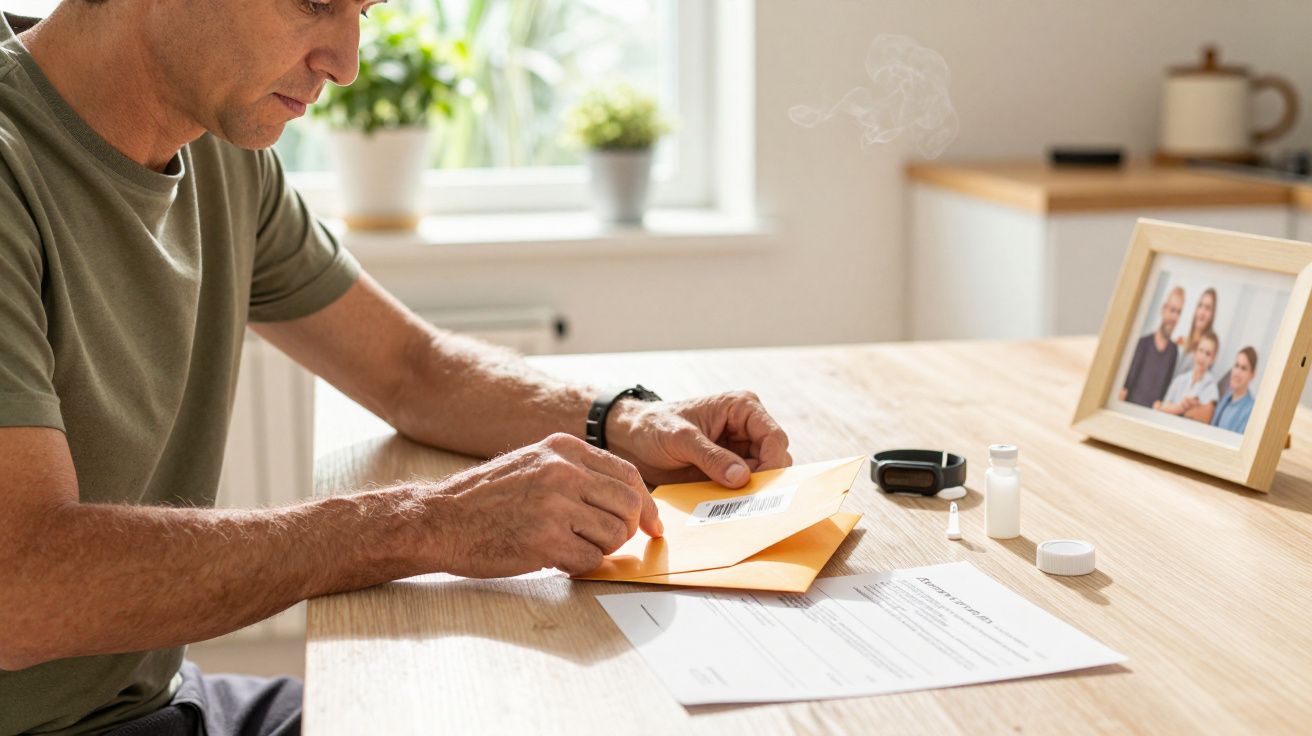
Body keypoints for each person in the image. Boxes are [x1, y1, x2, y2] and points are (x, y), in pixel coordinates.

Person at [0, 3, 793, 734]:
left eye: (363, 10)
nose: (345, 61)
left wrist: (624, 419)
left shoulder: (216, 145)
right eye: (315, 2)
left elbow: (412, 367)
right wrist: (429, 523)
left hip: (155, 706)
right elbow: (20, 588)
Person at [1119, 285, 1184, 407]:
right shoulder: (1143, 343)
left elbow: (1164, 392)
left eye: (1179, 312)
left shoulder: (1173, 351)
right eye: (1172, 310)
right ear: (1163, 310)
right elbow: (1126, 386)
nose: (1175, 317)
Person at [1154, 331, 1220, 424]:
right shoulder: (1179, 380)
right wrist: (1183, 408)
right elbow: (1161, 408)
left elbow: (1205, 417)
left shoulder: (1211, 388)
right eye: (1201, 350)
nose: (1203, 357)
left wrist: (1173, 408)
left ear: (1213, 359)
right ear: (1195, 352)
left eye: (1208, 354)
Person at [1212, 347, 1259, 434]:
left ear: (1252, 375)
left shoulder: (1251, 410)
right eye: (1236, 366)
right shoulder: (1226, 399)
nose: (1237, 372)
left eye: (1243, 368)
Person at [1173, 287, 1217, 378]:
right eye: (1200, 305)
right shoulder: (1181, 340)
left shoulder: (1207, 351)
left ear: (1212, 315)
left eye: (1207, 308)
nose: (1202, 312)